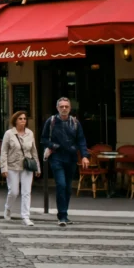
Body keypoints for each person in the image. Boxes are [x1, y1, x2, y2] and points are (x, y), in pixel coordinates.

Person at [40, 97, 90, 227]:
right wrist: (54, 146)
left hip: (71, 157)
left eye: (66, 107)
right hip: (56, 157)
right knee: (61, 185)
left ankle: (65, 214)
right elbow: (43, 139)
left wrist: (84, 156)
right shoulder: (50, 122)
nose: (64, 109)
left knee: (67, 187)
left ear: (70, 108)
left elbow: (81, 140)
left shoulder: (75, 123)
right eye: (61, 106)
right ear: (57, 108)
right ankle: (61, 215)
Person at [0, 111, 40, 226]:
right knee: (14, 191)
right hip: (12, 165)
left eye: (24, 119)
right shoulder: (9, 134)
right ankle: (8, 208)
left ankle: (25, 216)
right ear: (15, 121)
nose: (23, 121)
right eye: (20, 119)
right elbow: (4, 152)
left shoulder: (30, 133)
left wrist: (37, 167)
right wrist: (4, 168)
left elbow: (34, 151)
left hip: (27, 165)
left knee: (26, 192)